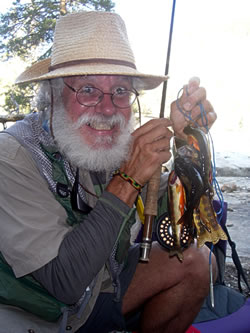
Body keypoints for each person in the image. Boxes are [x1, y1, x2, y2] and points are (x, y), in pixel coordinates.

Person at [0, 11, 217, 333]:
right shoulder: (12, 156)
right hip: (41, 312)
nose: (107, 108)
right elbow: (64, 283)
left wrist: (187, 143)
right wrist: (128, 178)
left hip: (103, 283)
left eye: (120, 91)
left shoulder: (110, 144)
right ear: (53, 97)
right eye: (87, 90)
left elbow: (169, 206)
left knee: (199, 261)